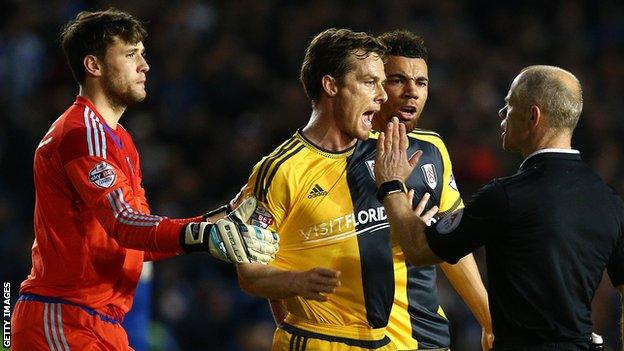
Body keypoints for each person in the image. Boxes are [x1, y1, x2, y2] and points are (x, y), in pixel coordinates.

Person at [10, 9, 279, 350]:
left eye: (143, 54)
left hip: (100, 324)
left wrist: (219, 219)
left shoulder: (119, 139)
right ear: (94, 66)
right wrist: (204, 234)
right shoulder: (82, 132)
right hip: (63, 319)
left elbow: (137, 238)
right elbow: (124, 221)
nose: (145, 65)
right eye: (130, 55)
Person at [374, 65, 624, 350]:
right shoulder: (610, 202)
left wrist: (391, 184)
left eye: (508, 106)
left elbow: (419, 250)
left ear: (533, 116)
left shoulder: (505, 197)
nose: (501, 115)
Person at [235, 28, 395, 350]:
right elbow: (249, 273)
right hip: (318, 340)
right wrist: (296, 281)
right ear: (331, 85)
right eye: (369, 82)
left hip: (384, 341)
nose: (383, 95)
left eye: (381, 82)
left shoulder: (385, 156)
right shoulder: (280, 170)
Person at [373, 30, 492, 351]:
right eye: (397, 80)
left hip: (427, 335)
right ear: (373, 85)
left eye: (421, 83)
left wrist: (489, 320)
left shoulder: (432, 148)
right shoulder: (341, 151)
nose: (412, 92)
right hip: (363, 338)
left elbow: (454, 245)